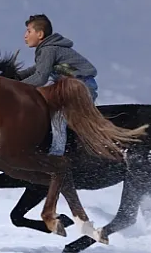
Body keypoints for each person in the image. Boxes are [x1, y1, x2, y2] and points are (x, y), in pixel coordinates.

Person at [17, 14, 99, 155]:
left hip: (82, 87)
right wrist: (16, 76)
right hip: (76, 86)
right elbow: (36, 69)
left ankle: (57, 154)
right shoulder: (47, 49)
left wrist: (17, 87)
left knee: (58, 114)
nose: (25, 36)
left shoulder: (49, 49)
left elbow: (40, 77)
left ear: (40, 34)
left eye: (29, 31)